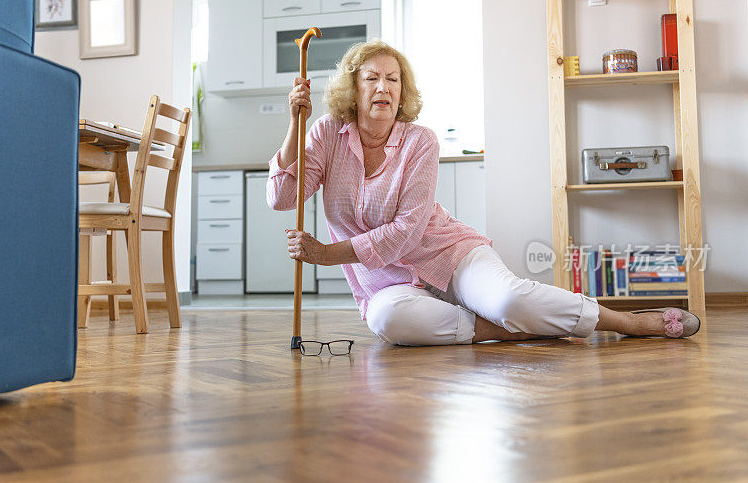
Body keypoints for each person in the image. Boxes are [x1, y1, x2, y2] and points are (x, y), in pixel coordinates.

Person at [266, 39, 700, 346]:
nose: (383, 88)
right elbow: (282, 198)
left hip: (447, 253)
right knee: (388, 319)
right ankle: (512, 328)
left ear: (402, 94)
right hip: (386, 281)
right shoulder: (324, 133)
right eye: (372, 78)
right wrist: (293, 122)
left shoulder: (421, 141)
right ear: (353, 88)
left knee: (508, 297)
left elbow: (406, 233)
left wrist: (328, 253)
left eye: (393, 80)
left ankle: (628, 322)